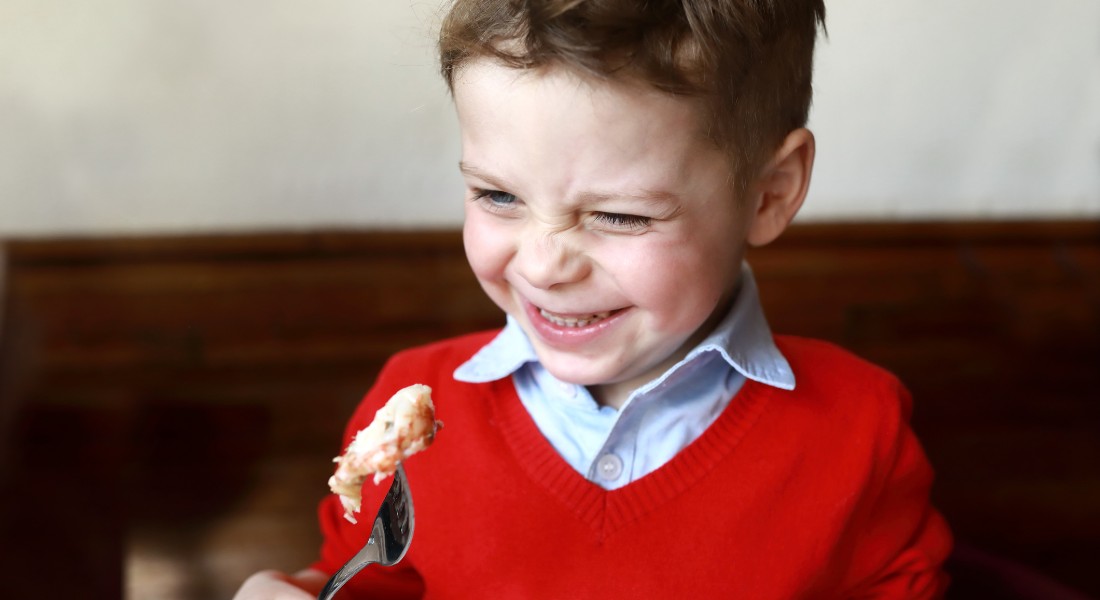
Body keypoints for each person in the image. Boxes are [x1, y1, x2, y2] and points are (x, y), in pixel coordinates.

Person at [234, 0, 953, 597]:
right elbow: (358, 579)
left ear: (770, 193)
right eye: (498, 195)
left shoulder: (860, 431)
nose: (544, 265)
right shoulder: (413, 406)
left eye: (621, 215)